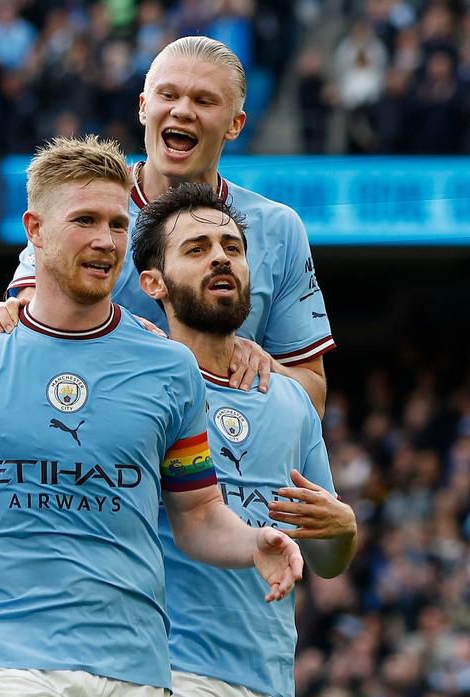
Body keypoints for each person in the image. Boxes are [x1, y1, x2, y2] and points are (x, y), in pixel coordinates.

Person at [0, 136, 304, 696]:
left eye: (117, 224)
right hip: (6, 658)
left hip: (134, 665)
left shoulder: (170, 370)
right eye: (85, 220)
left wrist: (254, 542)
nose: (105, 240)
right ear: (35, 229)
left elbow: (200, 515)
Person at [0, 36, 334, 414]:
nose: (182, 111)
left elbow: (313, 397)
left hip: (216, 460)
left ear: (235, 125)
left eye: (204, 101)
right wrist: (135, 338)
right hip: (99, 453)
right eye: (168, 95)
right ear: (143, 107)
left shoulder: (277, 228)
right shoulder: (83, 200)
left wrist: (265, 370)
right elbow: (27, 323)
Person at [133, 183, 357, 697]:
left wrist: (342, 529)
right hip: (165, 671)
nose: (220, 259)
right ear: (154, 283)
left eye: (232, 248)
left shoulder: (291, 402)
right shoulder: (141, 390)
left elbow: (325, 561)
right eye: (197, 249)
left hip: (270, 678)